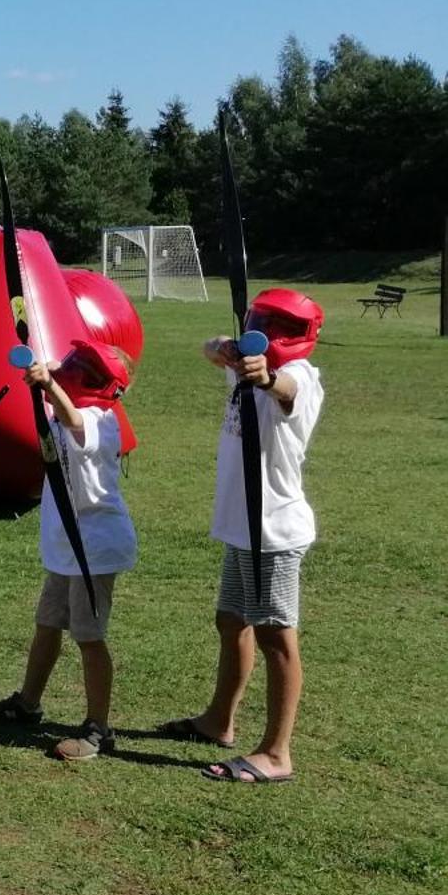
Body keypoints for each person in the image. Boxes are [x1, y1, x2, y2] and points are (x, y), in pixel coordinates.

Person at [170, 289, 326, 785]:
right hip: (243, 527)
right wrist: (228, 348)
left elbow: (285, 389)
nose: (267, 332)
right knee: (230, 619)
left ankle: (277, 753)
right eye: (260, 322)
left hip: (273, 529)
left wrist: (265, 373)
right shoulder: (242, 365)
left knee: (275, 635)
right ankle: (219, 721)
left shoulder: (301, 377)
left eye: (276, 326)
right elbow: (209, 346)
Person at [0, 340, 139, 761]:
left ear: (106, 387)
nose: (74, 369)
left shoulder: (101, 421)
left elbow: (73, 417)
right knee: (48, 624)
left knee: (88, 636)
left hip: (94, 549)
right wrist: (43, 370)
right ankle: (27, 703)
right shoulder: (72, 405)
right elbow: (53, 381)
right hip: (67, 545)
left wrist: (50, 382)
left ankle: (98, 729)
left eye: (86, 368)